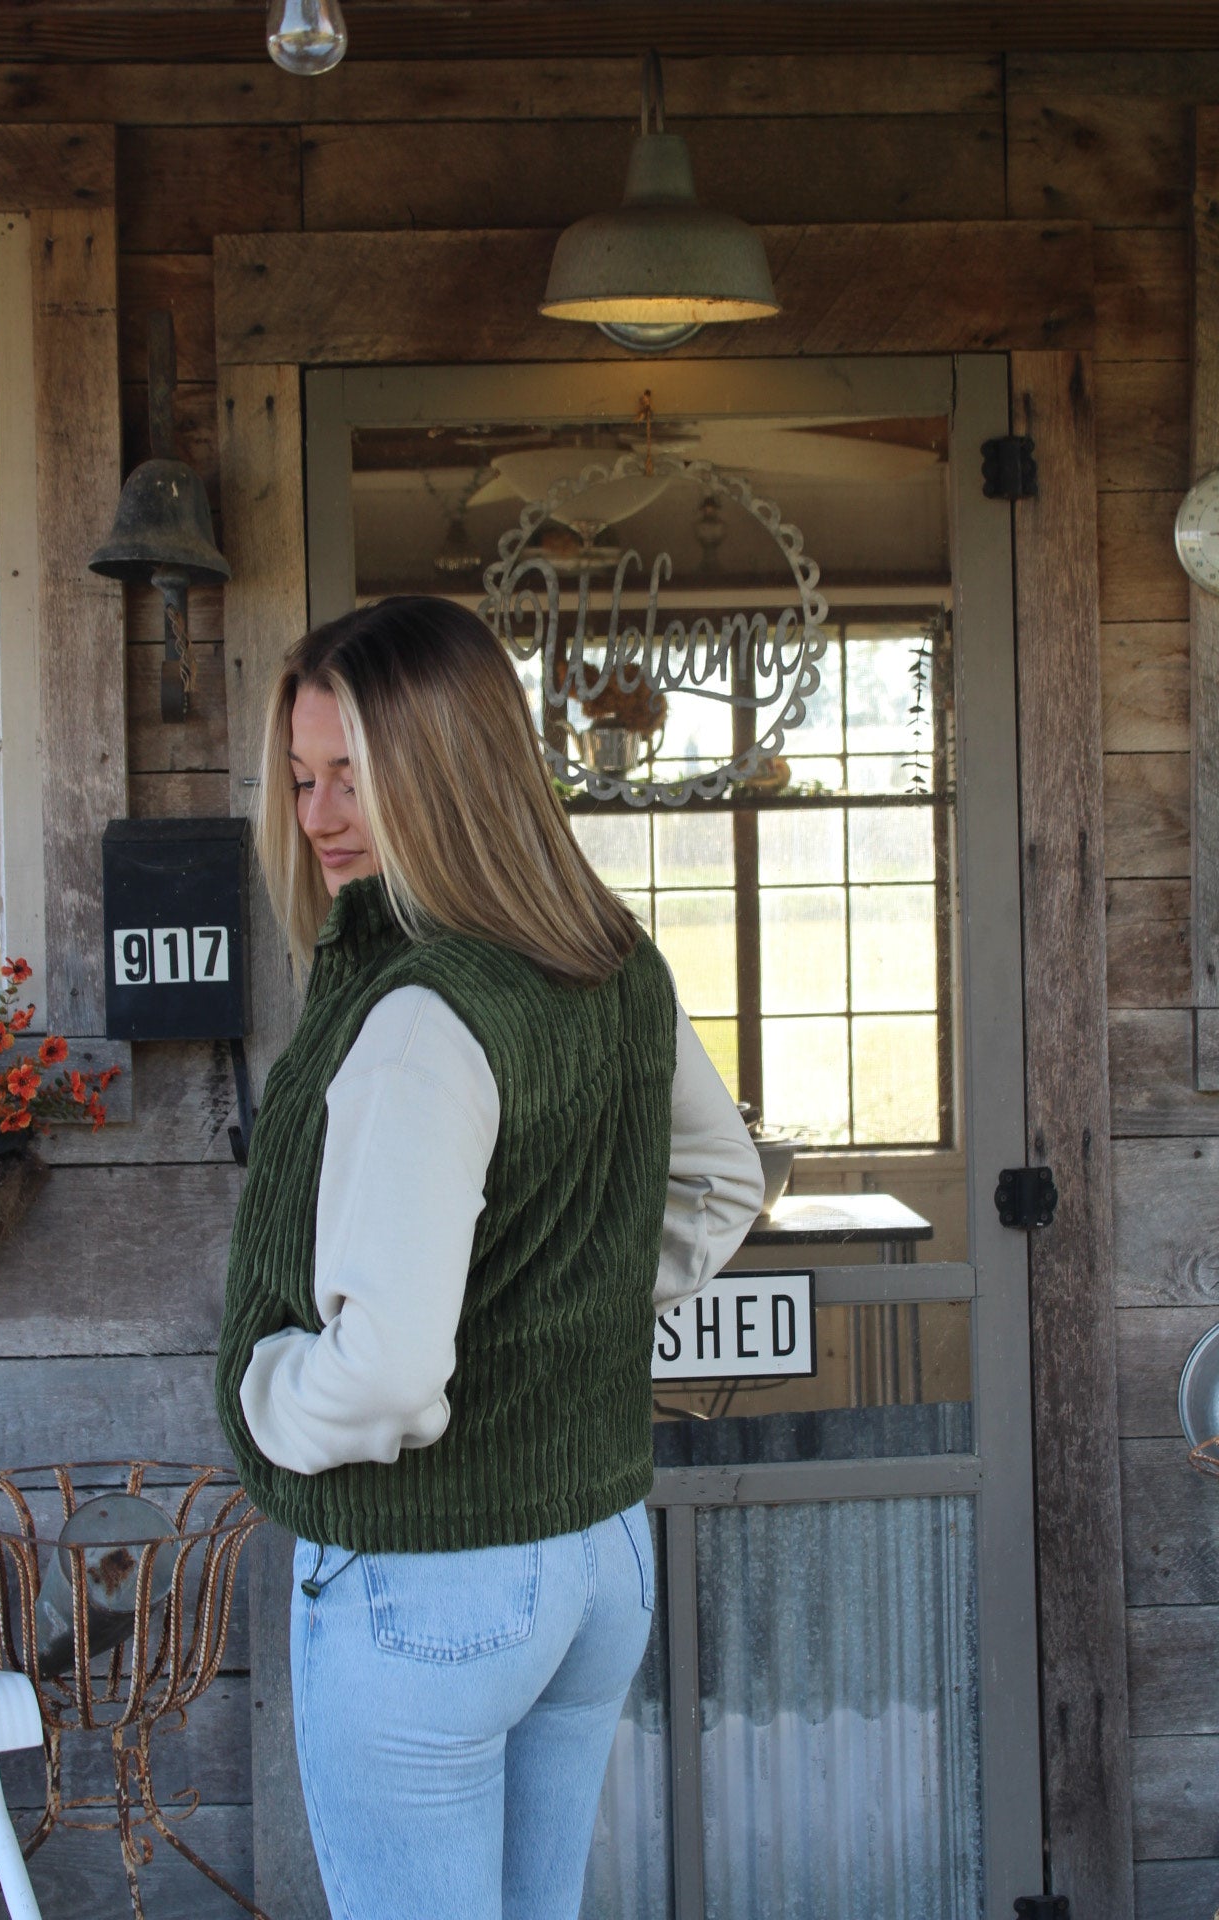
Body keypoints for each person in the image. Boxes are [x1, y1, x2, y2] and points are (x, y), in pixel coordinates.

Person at [215, 595, 763, 1920]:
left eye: (359, 774)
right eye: (302, 777)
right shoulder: (609, 964)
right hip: (592, 1560)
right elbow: (724, 1180)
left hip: (432, 1587)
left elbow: (392, 1372)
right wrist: (558, 1316)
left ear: (449, 772)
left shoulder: (419, 1019)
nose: (321, 814)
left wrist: (269, 1397)